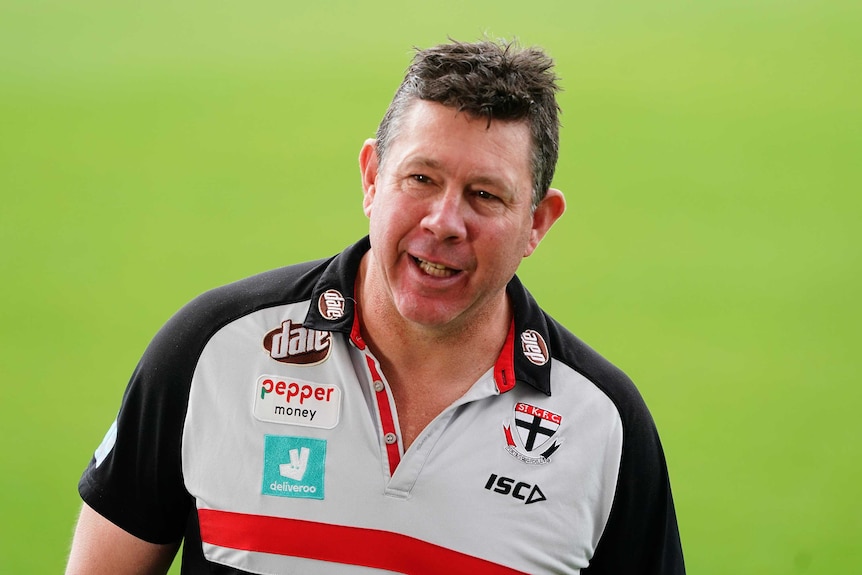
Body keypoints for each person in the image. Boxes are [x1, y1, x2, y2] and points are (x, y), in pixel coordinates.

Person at [66, 39, 685, 575]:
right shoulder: (211, 352)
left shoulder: (604, 427)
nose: (444, 222)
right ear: (371, 178)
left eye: (485, 195)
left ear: (537, 224)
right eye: (421, 179)